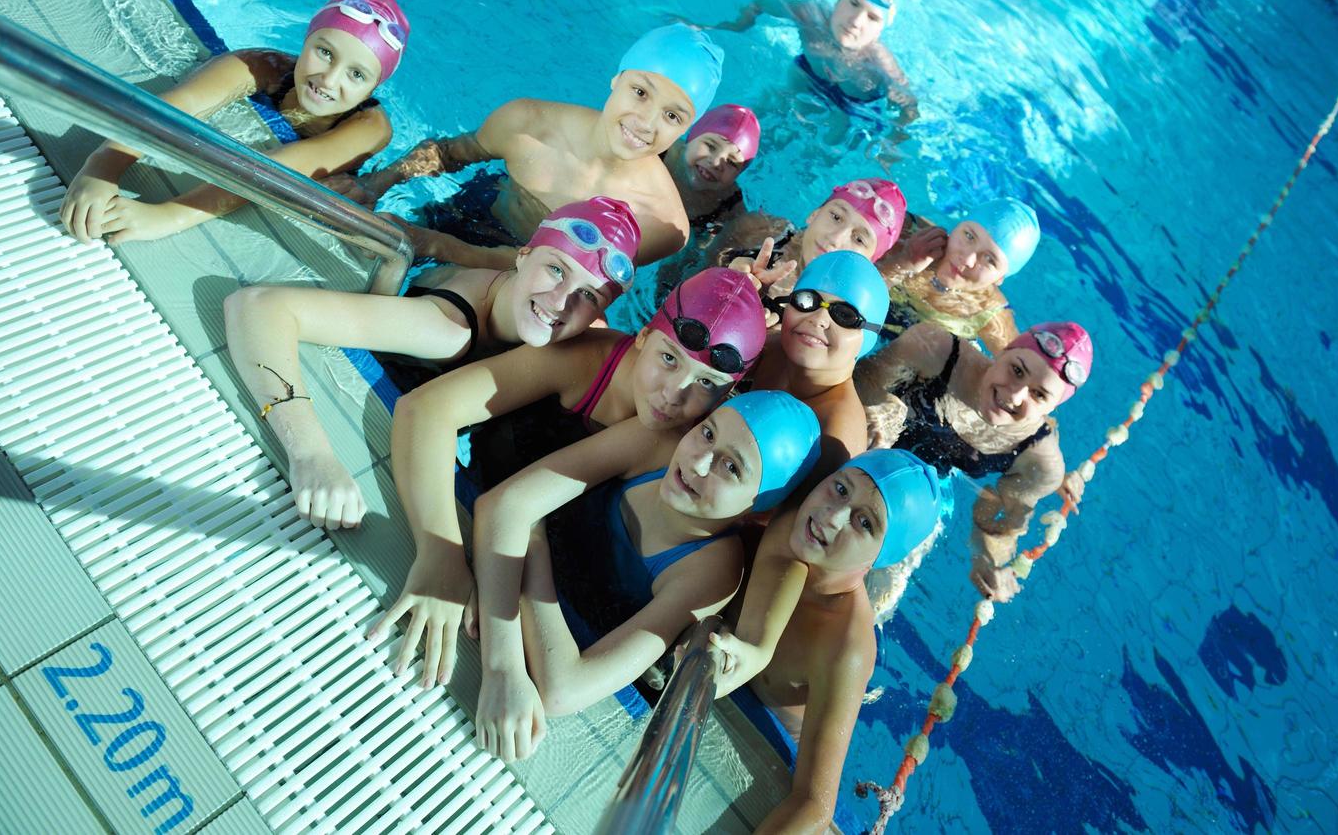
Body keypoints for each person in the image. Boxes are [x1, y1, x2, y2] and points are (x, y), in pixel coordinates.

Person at [366, 268, 767, 689]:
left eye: (706, 383)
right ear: (644, 335)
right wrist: (440, 555)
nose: (674, 393)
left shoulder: (687, 447)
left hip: (514, 530)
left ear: (726, 397)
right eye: (669, 359)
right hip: (482, 490)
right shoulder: (584, 362)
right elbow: (426, 410)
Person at [222, 196, 641, 529]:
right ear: (522, 256)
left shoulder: (584, 333)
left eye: (589, 295)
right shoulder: (446, 329)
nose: (561, 302)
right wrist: (311, 455)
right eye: (556, 269)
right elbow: (257, 307)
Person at [469, 390, 820, 761]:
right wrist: (502, 666)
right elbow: (500, 506)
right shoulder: (655, 444)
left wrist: (533, 540)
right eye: (707, 433)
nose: (698, 462)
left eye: (731, 468)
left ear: (758, 511)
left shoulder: (712, 570)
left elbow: (564, 689)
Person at [330, 24, 723, 267]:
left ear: (686, 130)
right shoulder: (528, 123)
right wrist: (374, 185)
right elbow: (448, 154)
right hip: (478, 206)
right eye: (640, 92)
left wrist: (440, 247)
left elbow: (567, 281)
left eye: (673, 116)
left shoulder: (661, 225)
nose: (646, 122)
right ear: (616, 79)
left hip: (524, 284)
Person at [709, 449, 949, 833]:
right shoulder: (787, 523)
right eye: (840, 488)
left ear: (879, 559)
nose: (831, 517)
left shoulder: (846, 647)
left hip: (763, 738)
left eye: (864, 523)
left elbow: (815, 804)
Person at [60, 0, 405, 244]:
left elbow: (279, 171)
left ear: (372, 89)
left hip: (341, 168)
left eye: (356, 75)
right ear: (306, 39)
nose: (329, 79)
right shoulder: (263, 65)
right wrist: (103, 166)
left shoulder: (370, 128)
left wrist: (168, 217)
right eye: (325, 52)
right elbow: (179, 105)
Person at [855, 321, 1092, 603]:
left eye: (1038, 394)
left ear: (1052, 408)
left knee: (879, 593)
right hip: (869, 444)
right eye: (1016, 370)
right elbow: (861, 380)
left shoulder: (1040, 463)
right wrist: (882, 410)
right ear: (1003, 351)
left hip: (930, 489)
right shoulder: (935, 348)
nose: (1015, 394)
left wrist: (986, 560)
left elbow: (997, 523)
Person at [704, 0, 917, 125]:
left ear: (881, 31)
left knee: (825, 146)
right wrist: (738, 26)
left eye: (872, 17)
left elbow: (910, 107)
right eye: (853, 3)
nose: (856, 21)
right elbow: (761, 4)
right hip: (807, 74)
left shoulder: (880, 63)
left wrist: (893, 138)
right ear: (838, 0)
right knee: (762, 106)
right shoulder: (809, 15)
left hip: (851, 105)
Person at [748, 250, 892, 478]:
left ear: (868, 340)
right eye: (807, 301)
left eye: (845, 315)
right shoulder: (769, 347)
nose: (819, 319)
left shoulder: (835, 435)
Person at [875, 197, 1041, 353]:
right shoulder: (904, 233)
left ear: (1000, 278)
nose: (968, 259)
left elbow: (1014, 367)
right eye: (969, 236)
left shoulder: (988, 312)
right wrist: (904, 262)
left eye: (989, 259)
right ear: (956, 227)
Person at [718, 177, 906, 299]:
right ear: (814, 214)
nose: (835, 237)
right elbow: (697, 262)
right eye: (836, 217)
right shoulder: (758, 229)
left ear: (867, 262)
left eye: (858, 239)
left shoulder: (832, 317)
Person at [664, 103, 761, 234]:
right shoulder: (660, 151)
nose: (716, 163)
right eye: (710, 146)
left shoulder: (729, 206)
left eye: (731, 162)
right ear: (691, 137)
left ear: (738, 174)